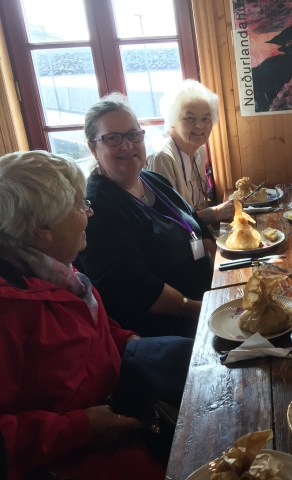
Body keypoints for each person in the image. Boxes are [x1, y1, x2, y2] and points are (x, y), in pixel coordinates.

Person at [0, 150, 186, 479]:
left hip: (117, 410)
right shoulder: (9, 309)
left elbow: (87, 325)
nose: (90, 211)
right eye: (79, 205)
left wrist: (126, 340)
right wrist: (80, 428)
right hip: (74, 456)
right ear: (43, 227)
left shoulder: (54, 269)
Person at [75, 93, 213, 338]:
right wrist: (198, 309)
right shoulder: (96, 207)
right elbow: (131, 286)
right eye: (112, 138)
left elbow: (197, 225)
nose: (127, 145)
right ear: (93, 148)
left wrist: (225, 276)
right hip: (170, 330)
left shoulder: (152, 180)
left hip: (207, 299)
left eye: (133, 135)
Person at [147, 79, 234, 223]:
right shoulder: (162, 158)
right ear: (173, 120)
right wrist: (214, 213)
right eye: (190, 118)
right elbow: (168, 220)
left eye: (206, 118)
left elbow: (197, 206)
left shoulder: (199, 151)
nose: (199, 125)